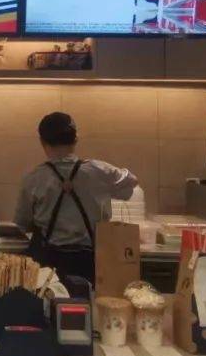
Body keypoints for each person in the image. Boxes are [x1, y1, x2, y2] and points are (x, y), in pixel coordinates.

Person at [14, 112, 139, 284]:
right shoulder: (99, 171)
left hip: (48, 270)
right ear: (76, 140)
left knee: (49, 298)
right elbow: (131, 182)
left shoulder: (33, 179)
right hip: (90, 266)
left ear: (42, 142)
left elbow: (22, 224)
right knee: (88, 298)